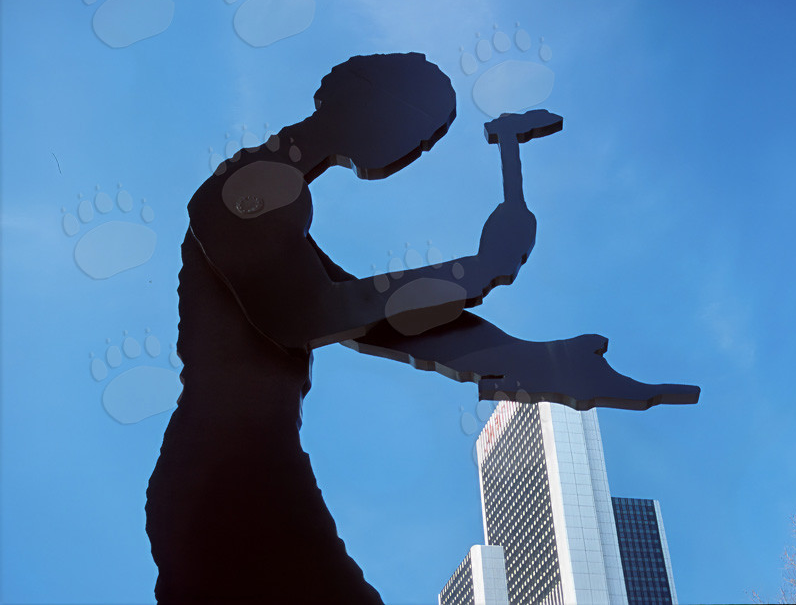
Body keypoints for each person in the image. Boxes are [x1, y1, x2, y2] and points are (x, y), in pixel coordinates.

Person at [146, 53, 698, 603]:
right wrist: (476, 270)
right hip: (226, 474)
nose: (417, 150)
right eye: (421, 131)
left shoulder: (277, 196)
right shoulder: (253, 183)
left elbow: (378, 324)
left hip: (251, 466)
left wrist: (537, 359)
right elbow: (307, 312)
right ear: (370, 105)